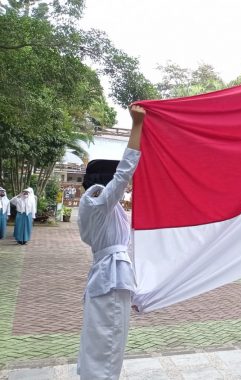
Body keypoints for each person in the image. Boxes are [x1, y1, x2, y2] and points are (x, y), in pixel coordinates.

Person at [76, 104, 145, 380]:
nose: (124, 186)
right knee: (107, 343)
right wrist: (137, 126)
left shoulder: (101, 209)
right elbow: (124, 173)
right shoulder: (96, 202)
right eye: (116, 182)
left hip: (111, 278)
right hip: (110, 279)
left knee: (106, 343)